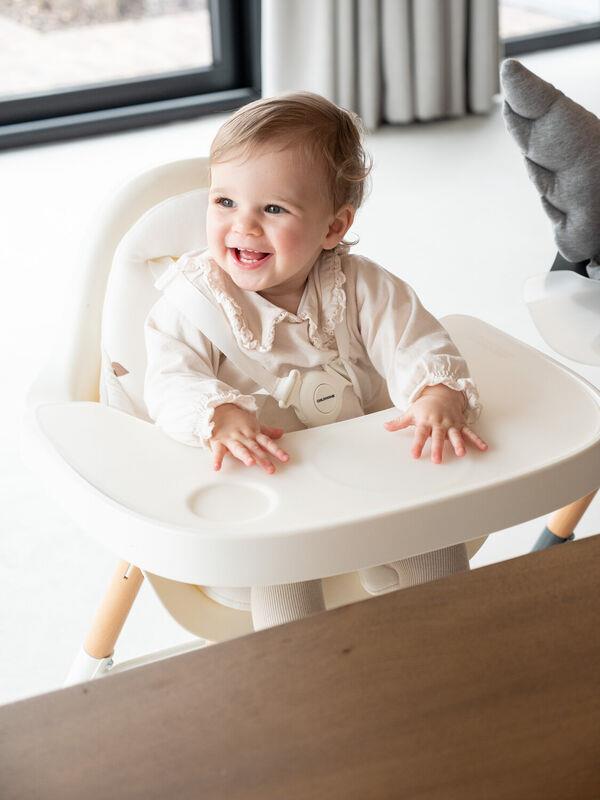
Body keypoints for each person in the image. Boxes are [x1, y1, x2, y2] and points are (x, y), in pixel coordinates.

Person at [144, 92, 488, 631]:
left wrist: (434, 392)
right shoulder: (193, 301)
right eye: (224, 202)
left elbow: (414, 339)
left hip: (367, 464)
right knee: (281, 571)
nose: (243, 226)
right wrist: (218, 414)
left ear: (333, 227)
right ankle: (297, 666)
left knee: (434, 541)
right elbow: (170, 378)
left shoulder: (361, 286)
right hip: (271, 477)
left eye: (273, 209)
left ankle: (445, 647)